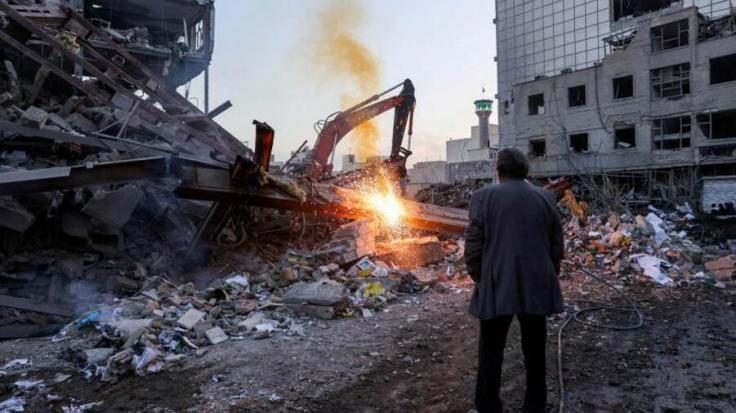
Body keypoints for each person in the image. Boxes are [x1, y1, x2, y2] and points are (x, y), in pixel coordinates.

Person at [464, 147, 564, 413]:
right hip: (537, 284)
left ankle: (488, 406)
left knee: (491, 352)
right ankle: (535, 406)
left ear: (499, 170)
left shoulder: (483, 197)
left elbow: (473, 246)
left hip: (498, 283)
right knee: (535, 351)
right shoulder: (546, 197)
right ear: (525, 170)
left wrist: (481, 278)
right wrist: (548, 273)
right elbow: (557, 245)